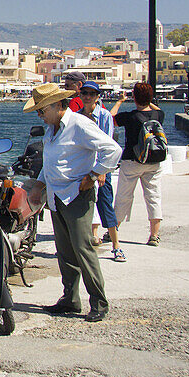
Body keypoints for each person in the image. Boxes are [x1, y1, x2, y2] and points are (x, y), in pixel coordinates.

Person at [24, 83, 121, 322]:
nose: (40, 115)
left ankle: (99, 302)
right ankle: (70, 299)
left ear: (58, 105)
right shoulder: (52, 130)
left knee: (83, 249)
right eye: (38, 111)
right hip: (57, 196)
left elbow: (113, 149)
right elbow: (50, 162)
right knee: (65, 251)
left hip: (76, 195)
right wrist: (39, 184)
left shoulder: (79, 125)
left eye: (42, 109)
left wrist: (93, 174)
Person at [110, 82, 165, 246]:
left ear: (134, 97)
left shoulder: (131, 116)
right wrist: (148, 100)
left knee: (123, 197)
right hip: (154, 161)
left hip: (132, 161)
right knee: (154, 197)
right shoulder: (158, 115)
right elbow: (157, 109)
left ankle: (113, 231)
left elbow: (110, 118)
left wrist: (120, 101)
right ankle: (154, 235)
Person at [77, 81, 124, 261]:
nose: (87, 96)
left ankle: (116, 246)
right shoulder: (77, 116)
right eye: (84, 93)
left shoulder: (104, 116)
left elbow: (108, 142)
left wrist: (101, 170)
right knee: (80, 206)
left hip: (101, 167)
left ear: (97, 96)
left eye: (91, 93)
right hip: (82, 166)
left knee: (105, 204)